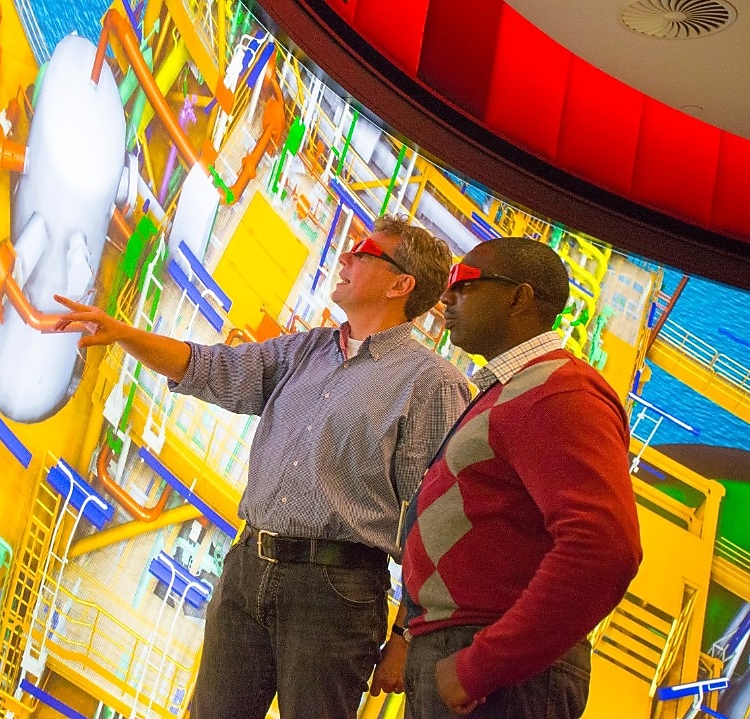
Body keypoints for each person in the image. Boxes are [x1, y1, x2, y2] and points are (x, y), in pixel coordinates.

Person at [55, 215, 470, 719]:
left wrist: (405, 633)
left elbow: (432, 522)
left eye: (363, 252)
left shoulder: (431, 384)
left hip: (335, 596)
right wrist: (125, 335)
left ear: (401, 284)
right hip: (249, 567)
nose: (346, 258)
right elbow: (213, 368)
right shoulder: (308, 349)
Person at [400, 237, 643, 718]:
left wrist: (480, 666)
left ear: (519, 297)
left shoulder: (560, 392)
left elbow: (604, 548)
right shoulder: (519, 389)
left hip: (497, 682)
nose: (445, 298)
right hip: (469, 659)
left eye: (463, 284)